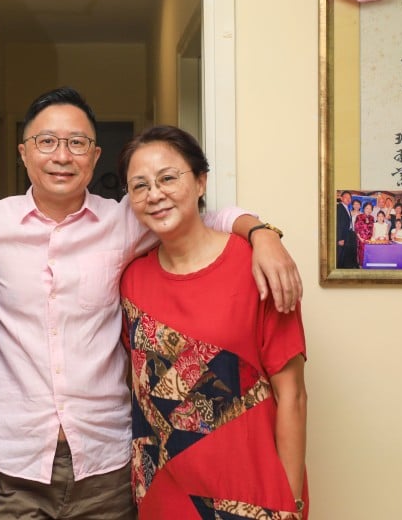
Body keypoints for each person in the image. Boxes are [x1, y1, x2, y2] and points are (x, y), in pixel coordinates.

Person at [0, 87, 302, 519]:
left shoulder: (126, 221)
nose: (61, 155)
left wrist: (260, 233)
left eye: (76, 143)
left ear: (94, 156)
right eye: (46, 142)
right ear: (24, 153)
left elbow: (201, 213)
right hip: (14, 464)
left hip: (106, 463)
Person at [118, 125, 308, 519]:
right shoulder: (132, 280)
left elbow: (293, 396)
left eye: (168, 178)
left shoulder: (256, 266)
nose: (154, 194)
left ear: (201, 182)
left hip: (251, 497)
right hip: (162, 494)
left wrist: (291, 504)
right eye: (140, 186)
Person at [335, 190, 356, 268]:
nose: (348, 199)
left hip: (348, 234)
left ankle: (344, 268)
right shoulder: (338, 207)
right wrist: (339, 238)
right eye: (346, 197)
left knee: (345, 254)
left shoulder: (347, 208)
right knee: (340, 255)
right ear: (341, 198)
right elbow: (338, 224)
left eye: (349, 198)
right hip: (342, 236)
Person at [353, 201, 375, 267]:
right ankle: (360, 267)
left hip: (369, 240)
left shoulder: (372, 218)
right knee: (361, 254)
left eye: (370, 209)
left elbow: (373, 229)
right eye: (367, 208)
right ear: (364, 208)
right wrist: (360, 239)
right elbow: (356, 229)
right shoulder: (359, 217)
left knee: (369, 254)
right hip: (361, 240)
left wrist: (372, 238)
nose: (369, 210)